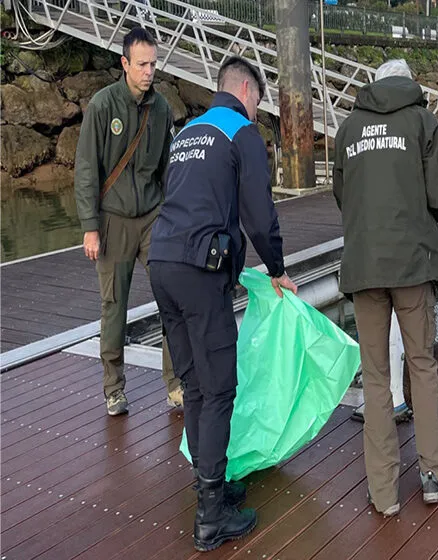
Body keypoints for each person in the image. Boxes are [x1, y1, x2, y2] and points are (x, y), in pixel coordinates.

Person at [148, 55, 297, 552]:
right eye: (259, 101)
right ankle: (211, 516)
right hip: (198, 272)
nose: (258, 111)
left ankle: (209, 484)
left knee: (192, 385)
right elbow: (260, 214)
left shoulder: (188, 132)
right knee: (218, 389)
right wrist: (277, 270)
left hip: (162, 264)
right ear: (248, 93)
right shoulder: (242, 133)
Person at [333, 59, 438, 516]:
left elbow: (343, 197)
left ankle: (383, 493)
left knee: (376, 375)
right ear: (410, 83)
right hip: (413, 264)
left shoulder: (348, 130)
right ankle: (432, 475)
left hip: (363, 266)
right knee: (422, 364)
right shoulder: (424, 121)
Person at [74, 26, 183, 416]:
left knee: (172, 295)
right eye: (141, 64)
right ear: (124, 64)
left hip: (153, 216)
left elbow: (169, 169)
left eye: (153, 63)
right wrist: (90, 226)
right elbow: (86, 168)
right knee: (114, 307)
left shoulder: (163, 108)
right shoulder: (104, 106)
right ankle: (114, 387)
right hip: (113, 220)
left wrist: (175, 215)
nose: (149, 71)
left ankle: (175, 383)